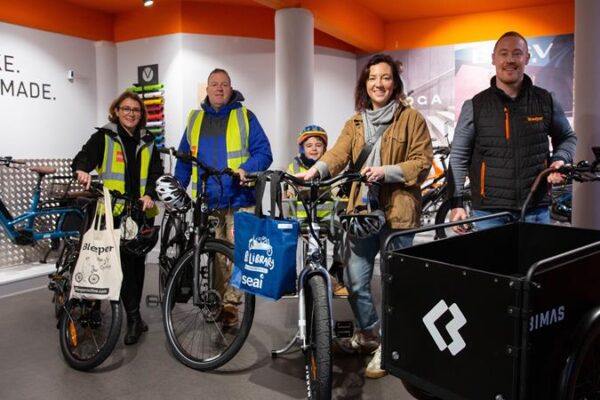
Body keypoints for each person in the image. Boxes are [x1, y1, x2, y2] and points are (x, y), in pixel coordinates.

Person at [299, 54, 433, 379]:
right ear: (365, 84)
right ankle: (369, 334)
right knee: (356, 280)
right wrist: (315, 171)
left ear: (395, 83)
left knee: (394, 283)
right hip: (360, 213)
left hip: (398, 213)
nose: (379, 84)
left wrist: (387, 172)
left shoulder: (411, 118)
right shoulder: (355, 123)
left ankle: (391, 345)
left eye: (385, 78)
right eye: (372, 78)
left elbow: (422, 161)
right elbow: (338, 153)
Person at [449, 31, 577, 232]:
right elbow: (458, 157)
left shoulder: (546, 100)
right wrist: (456, 204)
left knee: (538, 255)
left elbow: (568, 137)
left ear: (527, 58)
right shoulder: (475, 106)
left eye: (517, 53)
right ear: (493, 59)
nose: (510, 60)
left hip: (536, 209)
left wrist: (559, 159)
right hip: (489, 213)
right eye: (504, 53)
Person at [174, 68, 272, 326]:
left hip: (240, 198)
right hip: (209, 200)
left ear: (231, 89)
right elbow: (184, 159)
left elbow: (264, 152)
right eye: (214, 84)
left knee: (240, 253)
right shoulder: (194, 119)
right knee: (217, 257)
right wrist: (178, 188)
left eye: (224, 84)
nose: (219, 88)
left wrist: (246, 168)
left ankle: (231, 304)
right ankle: (218, 300)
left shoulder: (245, 116)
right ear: (207, 89)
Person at [73, 90, 163, 345]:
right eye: (126, 109)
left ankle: (135, 317)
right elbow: (84, 157)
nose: (131, 114)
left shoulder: (148, 140)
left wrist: (150, 194)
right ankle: (133, 318)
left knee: (137, 265)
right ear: (116, 111)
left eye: (135, 110)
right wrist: (81, 170)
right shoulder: (105, 136)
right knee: (121, 265)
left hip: (141, 212)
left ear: (141, 114)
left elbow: (156, 173)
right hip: (114, 212)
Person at [287, 125, 349, 296]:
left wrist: (342, 193)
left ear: (325, 148)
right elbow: (288, 188)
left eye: (318, 145)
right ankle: (289, 275)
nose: (313, 149)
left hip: (326, 218)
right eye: (309, 145)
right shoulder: (294, 167)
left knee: (345, 232)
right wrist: (289, 191)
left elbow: (337, 191)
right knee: (286, 239)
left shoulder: (330, 168)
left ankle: (338, 267)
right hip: (301, 218)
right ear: (302, 148)